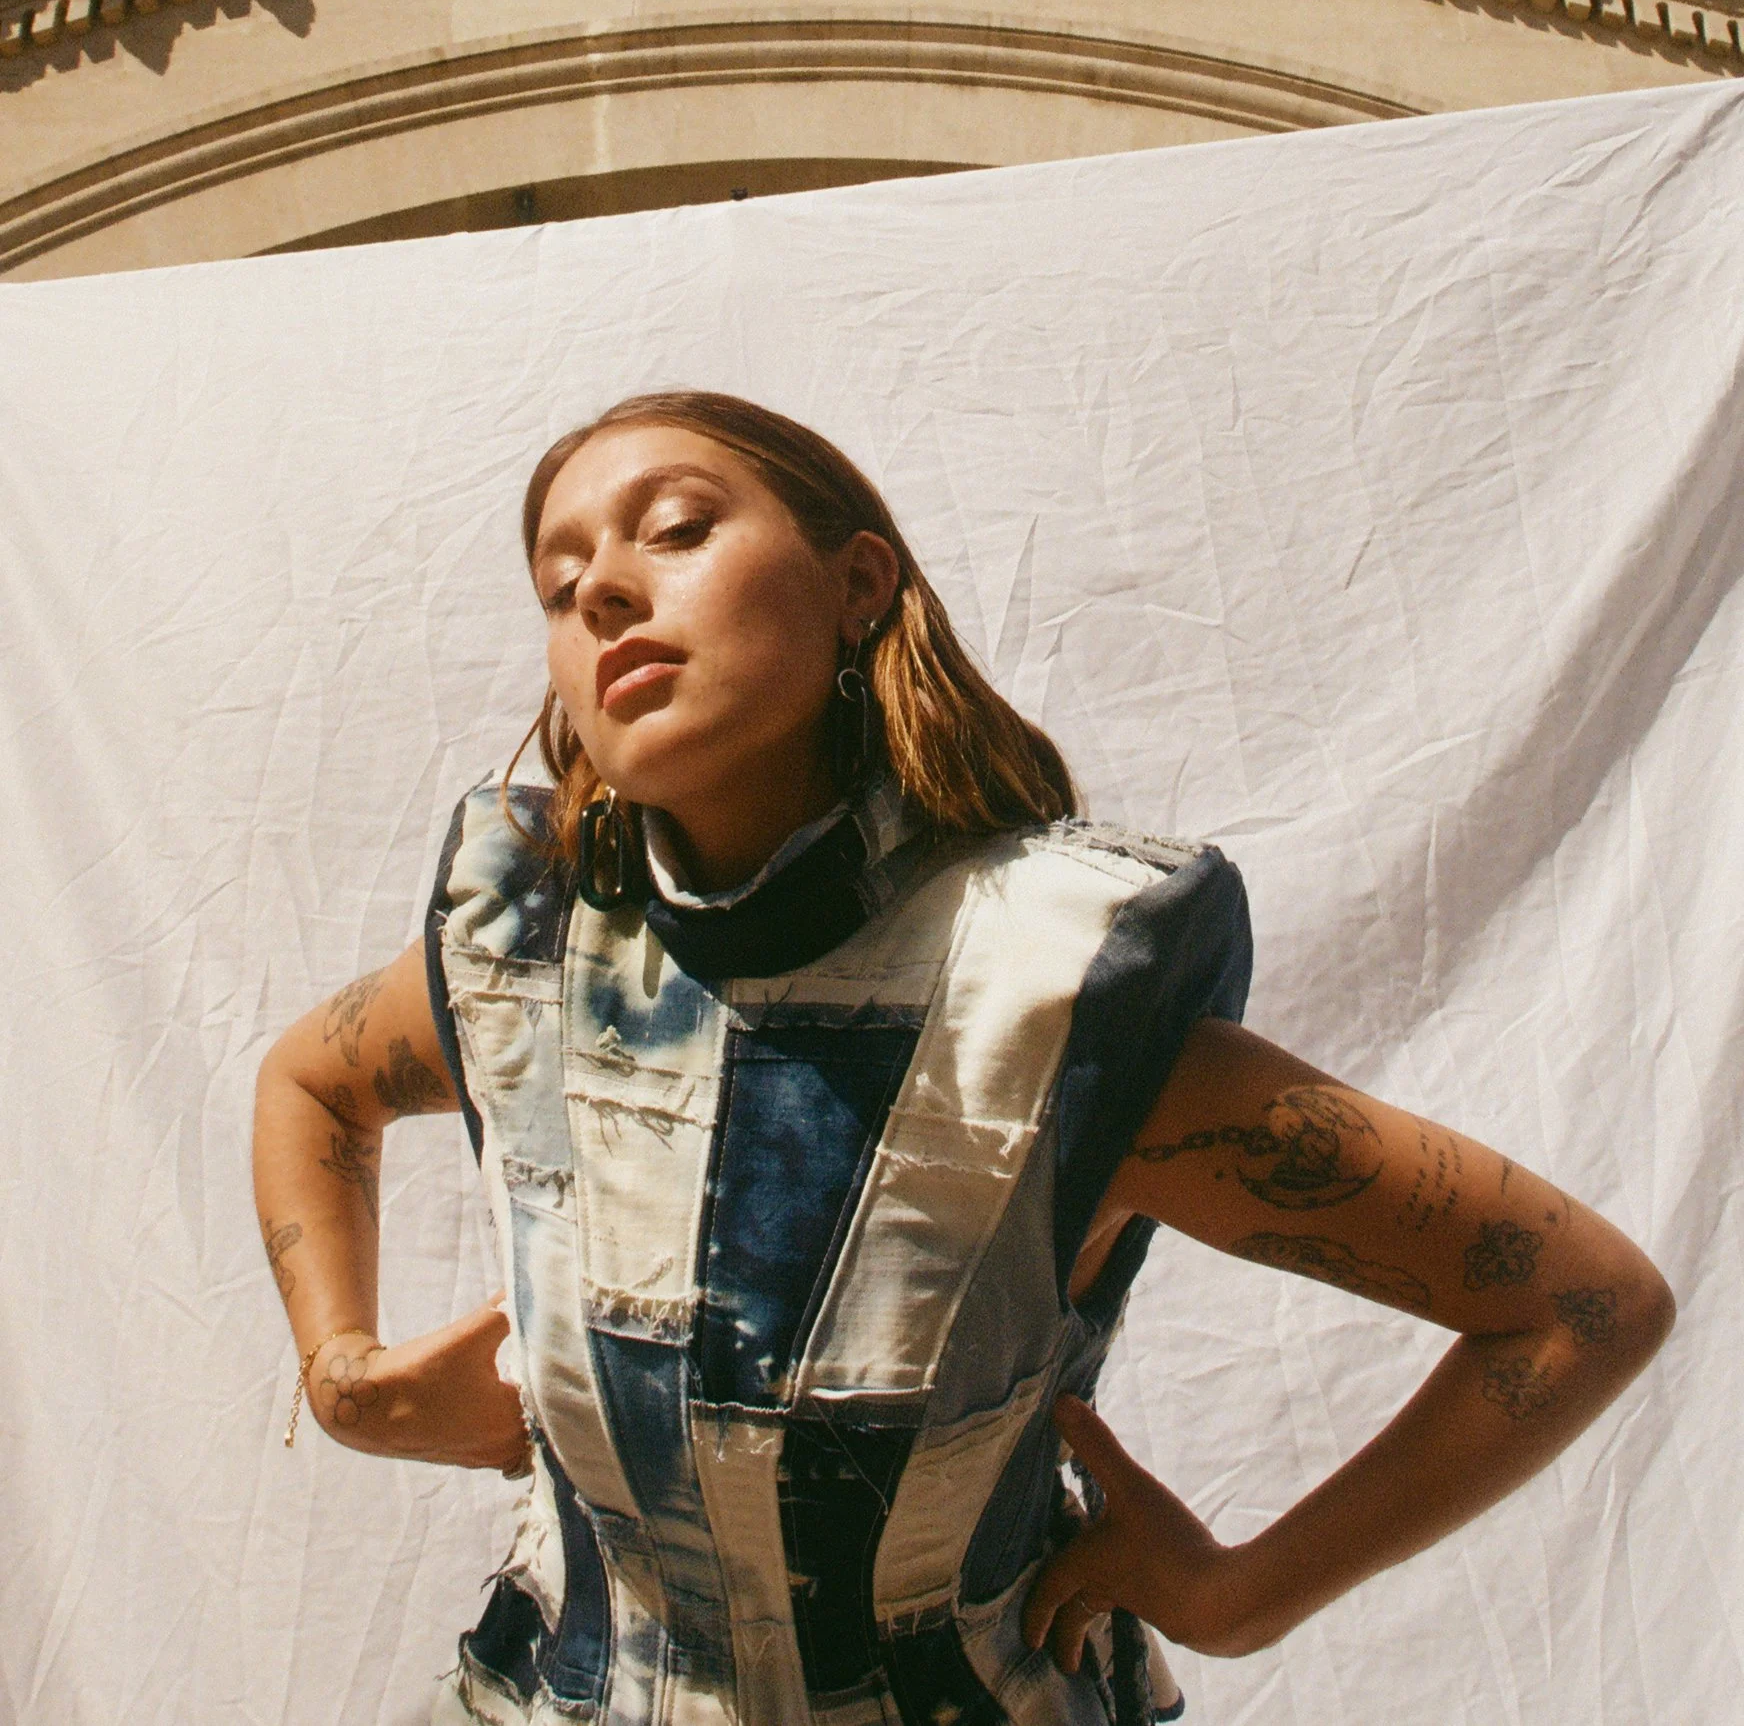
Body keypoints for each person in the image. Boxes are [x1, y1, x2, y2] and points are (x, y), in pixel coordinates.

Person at [253, 391, 1674, 1725]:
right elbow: (309, 1080)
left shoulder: (1055, 998)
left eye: (676, 528)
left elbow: (1583, 1305)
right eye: (561, 586)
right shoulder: (523, 950)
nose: (605, 592)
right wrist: (344, 1377)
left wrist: (1241, 1598)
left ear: (860, 583)